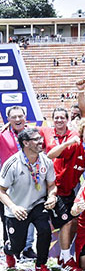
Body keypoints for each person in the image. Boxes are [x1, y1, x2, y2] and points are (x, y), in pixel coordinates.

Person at [47, 116, 85, 271]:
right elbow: (50, 155)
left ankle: (64, 256)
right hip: (56, 189)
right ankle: (65, 259)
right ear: (82, 132)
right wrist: (66, 143)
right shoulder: (75, 145)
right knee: (66, 222)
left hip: (70, 191)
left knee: (74, 221)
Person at [0, 128, 57, 271]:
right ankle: (8, 250)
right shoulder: (12, 164)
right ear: (25, 143)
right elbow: (1, 191)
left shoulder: (46, 161)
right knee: (17, 246)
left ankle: (41, 265)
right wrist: (13, 207)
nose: (41, 141)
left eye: (40, 138)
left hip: (38, 204)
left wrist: (52, 197)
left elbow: (51, 185)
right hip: (17, 208)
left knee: (45, 230)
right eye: (36, 139)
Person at [0, 106, 37, 259]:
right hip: (9, 182)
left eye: (20, 116)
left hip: (31, 179)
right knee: (8, 215)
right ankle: (9, 245)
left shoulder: (34, 133)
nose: (17, 119)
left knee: (29, 213)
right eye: (13, 117)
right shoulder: (3, 135)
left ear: (25, 117)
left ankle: (28, 247)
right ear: (8, 119)